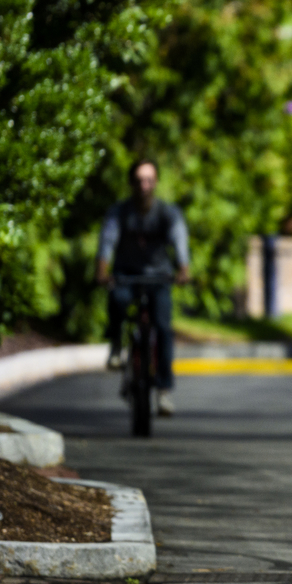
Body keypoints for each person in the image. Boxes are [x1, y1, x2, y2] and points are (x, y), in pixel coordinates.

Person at [96, 159, 191, 418]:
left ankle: (164, 390)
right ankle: (117, 344)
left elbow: (179, 238)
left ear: (156, 182)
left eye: (149, 180)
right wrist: (102, 270)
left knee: (163, 328)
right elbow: (107, 241)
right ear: (131, 183)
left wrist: (183, 268)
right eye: (139, 180)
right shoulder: (119, 212)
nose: (144, 186)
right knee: (118, 300)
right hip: (126, 275)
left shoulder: (167, 213)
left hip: (159, 278)